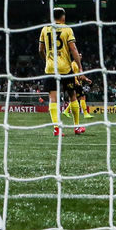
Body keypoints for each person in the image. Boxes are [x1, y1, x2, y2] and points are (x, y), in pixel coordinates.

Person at [39, 7, 84, 136]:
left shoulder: (45, 29)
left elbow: (40, 50)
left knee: (53, 99)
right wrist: (80, 67)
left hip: (51, 69)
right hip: (65, 69)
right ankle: (77, 127)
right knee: (72, 95)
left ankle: (57, 129)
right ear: (63, 17)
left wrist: (47, 60)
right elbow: (73, 49)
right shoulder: (67, 29)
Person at [63, 53, 93, 119]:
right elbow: (72, 74)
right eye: (79, 55)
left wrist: (87, 79)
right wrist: (76, 82)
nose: (80, 57)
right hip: (76, 83)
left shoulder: (78, 65)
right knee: (82, 97)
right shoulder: (73, 64)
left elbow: (81, 75)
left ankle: (66, 111)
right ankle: (85, 113)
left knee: (75, 99)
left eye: (81, 56)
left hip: (78, 83)